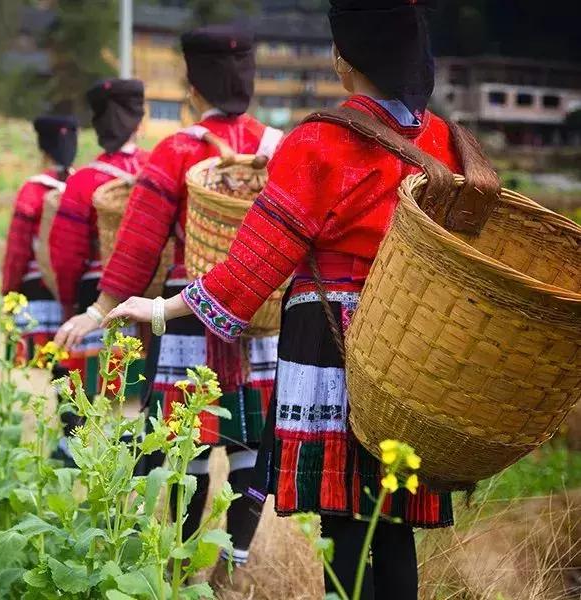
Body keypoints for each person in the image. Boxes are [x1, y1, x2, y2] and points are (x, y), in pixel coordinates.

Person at [98, 1, 459, 598]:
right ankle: (233, 560)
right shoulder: (443, 140)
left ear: (345, 60)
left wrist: (159, 309)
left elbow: (252, 270)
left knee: (343, 519)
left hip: (329, 336)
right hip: (408, 337)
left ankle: (197, 568)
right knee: (393, 520)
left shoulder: (319, 142)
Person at [56, 25, 283, 590]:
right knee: (253, 448)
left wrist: (99, 307)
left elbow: (140, 240)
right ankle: (233, 566)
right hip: (264, 317)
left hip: (191, 317)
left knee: (191, 445)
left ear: (192, 86)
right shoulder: (277, 146)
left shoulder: (178, 151)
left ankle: (181, 568)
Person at [47, 79, 150, 455]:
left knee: (89, 393)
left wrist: (71, 306)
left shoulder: (84, 181)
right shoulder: (156, 170)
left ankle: (79, 454)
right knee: (138, 395)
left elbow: (66, 254)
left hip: (97, 293)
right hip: (148, 297)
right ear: (140, 122)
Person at [1, 115, 78, 365]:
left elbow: (18, 249)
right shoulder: (82, 187)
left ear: (43, 149)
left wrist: (9, 290)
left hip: (36, 292)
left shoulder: (33, 190)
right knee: (68, 367)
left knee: (34, 370)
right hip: (75, 293)